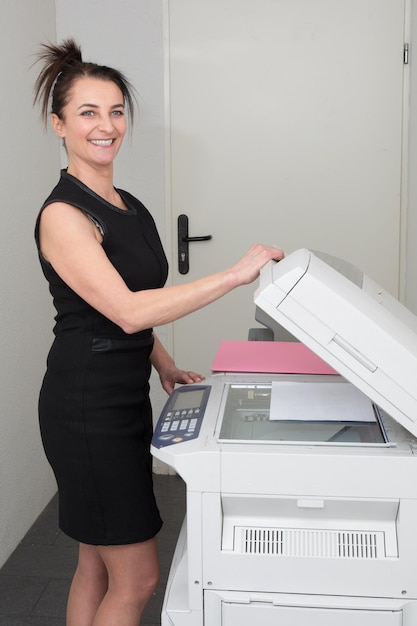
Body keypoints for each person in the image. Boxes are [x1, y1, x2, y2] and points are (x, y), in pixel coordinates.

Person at [33, 38, 284, 626]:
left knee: (96, 566)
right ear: (58, 125)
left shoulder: (129, 205)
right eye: (88, 112)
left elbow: (133, 308)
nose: (107, 125)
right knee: (140, 576)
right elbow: (124, 310)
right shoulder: (63, 216)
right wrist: (235, 275)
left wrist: (163, 364)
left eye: (116, 110)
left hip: (120, 399)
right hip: (85, 407)